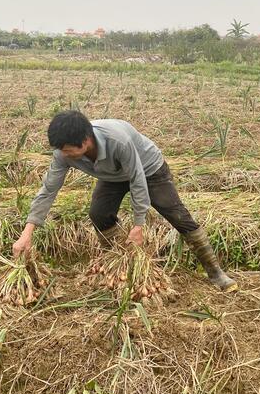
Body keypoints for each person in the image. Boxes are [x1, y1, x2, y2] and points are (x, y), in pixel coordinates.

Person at [12, 110, 237, 291]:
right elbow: (48, 190)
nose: (65, 155)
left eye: (68, 150)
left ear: (86, 140)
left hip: (148, 169)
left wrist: (138, 226)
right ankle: (118, 264)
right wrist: (27, 233)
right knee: (99, 214)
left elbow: (138, 180)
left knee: (177, 215)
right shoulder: (63, 153)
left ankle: (215, 272)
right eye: (61, 150)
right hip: (112, 175)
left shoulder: (118, 140)